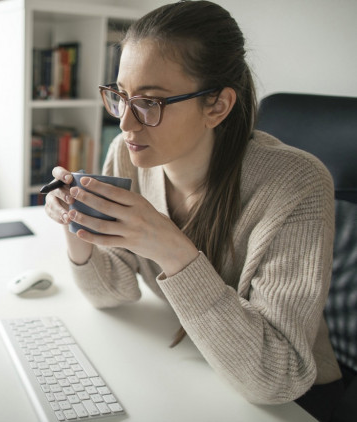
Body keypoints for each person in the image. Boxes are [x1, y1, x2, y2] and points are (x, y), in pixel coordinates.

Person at [43, 1, 344, 420]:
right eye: (120, 96)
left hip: (289, 403)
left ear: (217, 106)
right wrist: (77, 224)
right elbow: (111, 293)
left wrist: (172, 250)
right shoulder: (127, 154)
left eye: (150, 102)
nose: (126, 124)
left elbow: (277, 377)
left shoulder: (296, 183)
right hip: (192, 359)